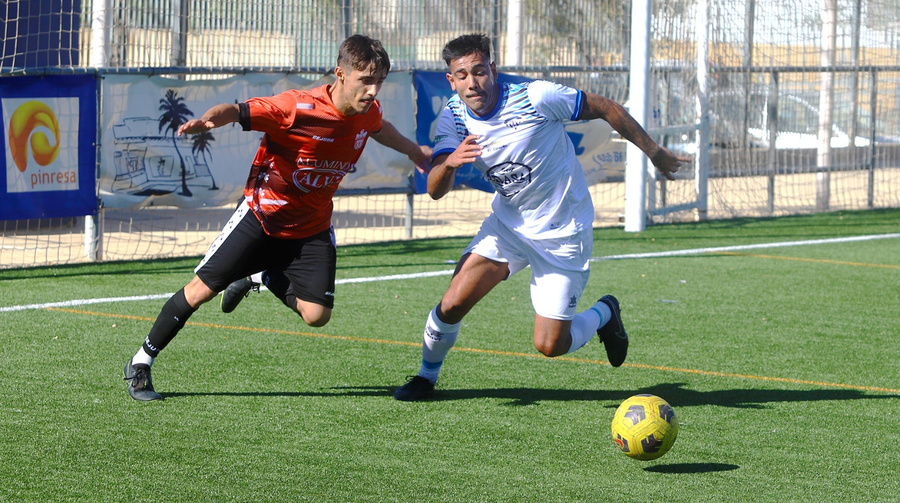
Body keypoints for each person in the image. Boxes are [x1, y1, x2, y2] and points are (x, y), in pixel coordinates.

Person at [124, 34, 430, 401]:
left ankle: (264, 276)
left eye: (379, 80)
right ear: (341, 74)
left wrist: (415, 151)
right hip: (261, 217)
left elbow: (380, 129)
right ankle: (141, 363)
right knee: (200, 291)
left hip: (311, 227)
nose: (373, 89)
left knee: (317, 315)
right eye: (366, 80)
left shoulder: (368, 113)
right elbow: (236, 111)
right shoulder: (297, 108)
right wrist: (208, 121)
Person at [393, 33, 690, 401]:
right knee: (453, 302)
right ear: (451, 81)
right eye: (463, 75)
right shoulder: (453, 118)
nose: (473, 82)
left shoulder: (535, 97)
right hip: (508, 227)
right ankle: (425, 376)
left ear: (494, 70)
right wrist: (450, 162)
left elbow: (606, 107)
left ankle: (603, 314)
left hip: (563, 231)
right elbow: (436, 189)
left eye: (480, 71)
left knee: (550, 345)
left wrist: (654, 151)